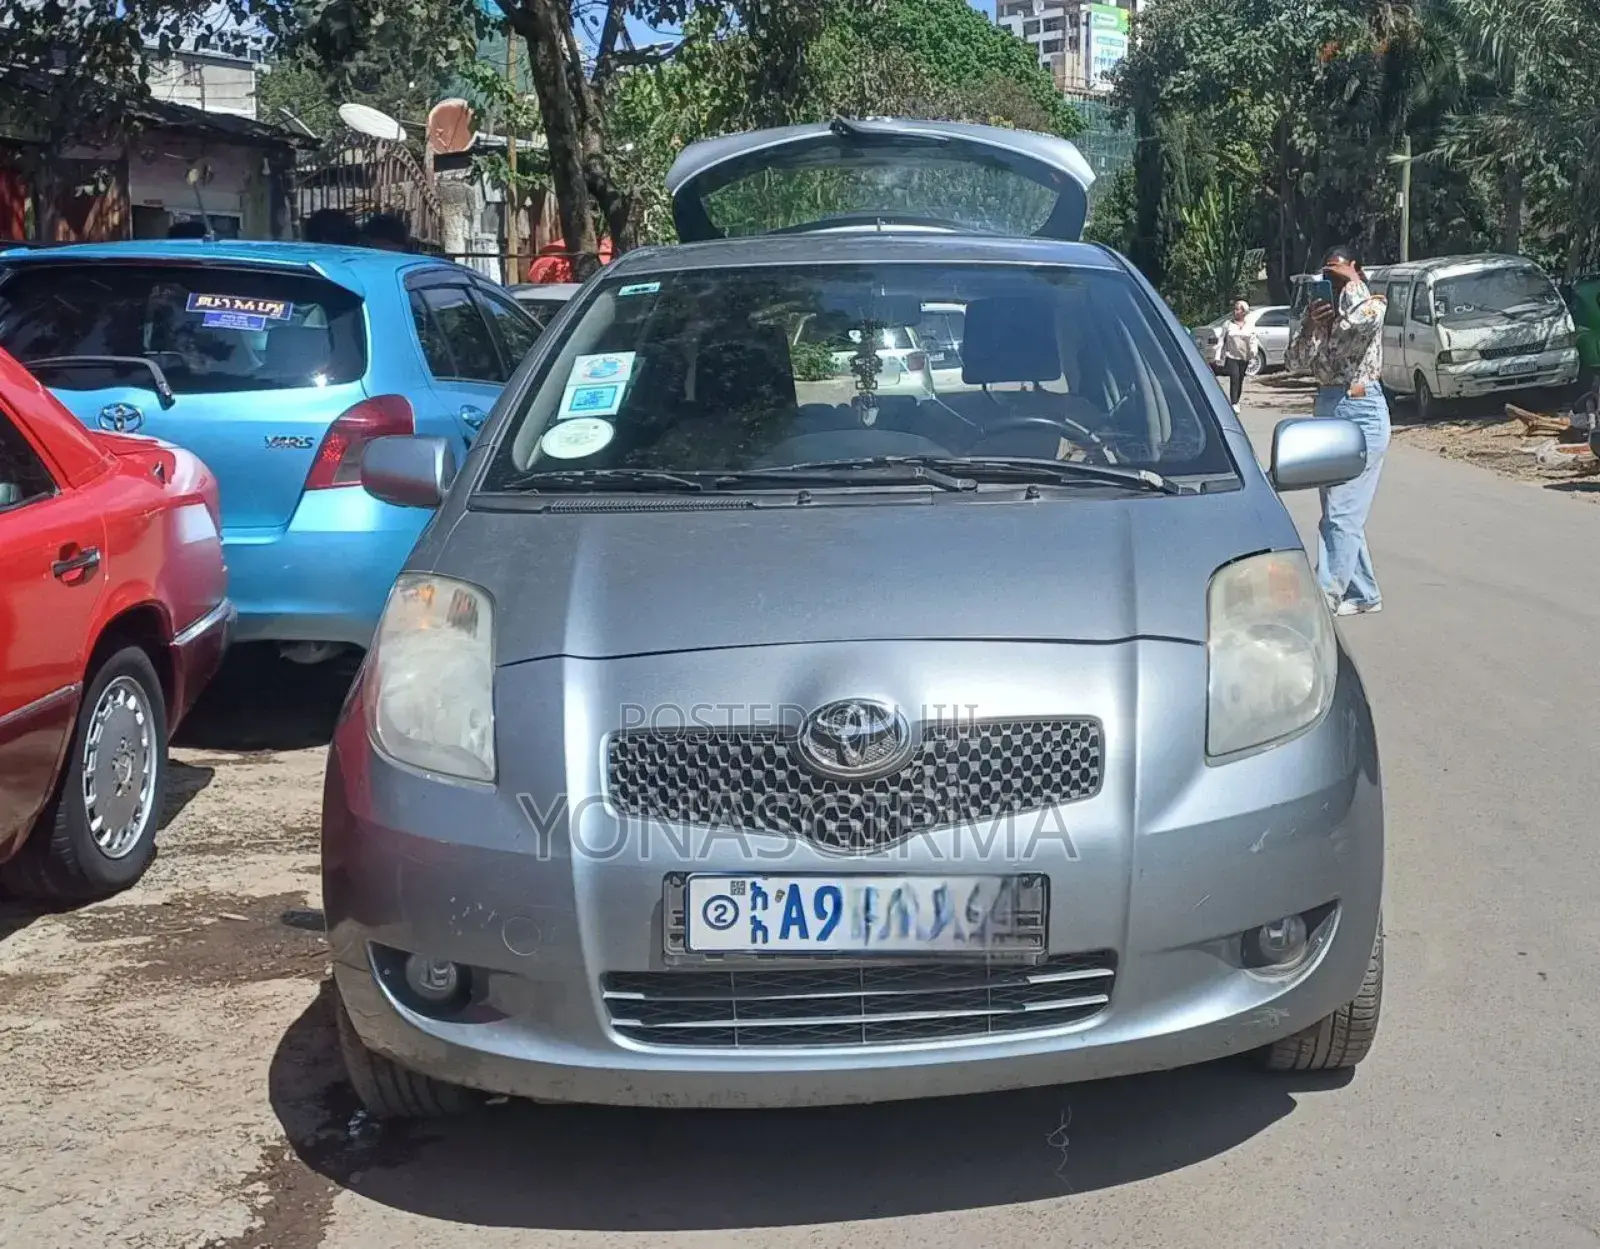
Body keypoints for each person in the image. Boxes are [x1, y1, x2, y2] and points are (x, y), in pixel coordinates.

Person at [1286, 243, 1390, 617]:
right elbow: (1294, 362)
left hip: (1362, 408)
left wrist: (1353, 283)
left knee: (1343, 512)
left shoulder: (1372, 303)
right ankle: (1363, 593)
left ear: (1356, 270)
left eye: (1337, 273)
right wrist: (1312, 323)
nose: (1332, 281)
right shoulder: (1319, 314)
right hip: (1327, 407)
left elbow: (1358, 326)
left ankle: (1325, 595)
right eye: (1326, 276)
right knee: (1338, 508)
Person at [1212, 300, 1259, 414]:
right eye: (1235, 308)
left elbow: (1253, 339)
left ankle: (1237, 401)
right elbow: (1221, 340)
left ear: (1244, 312)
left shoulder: (1249, 325)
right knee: (1235, 377)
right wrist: (1218, 355)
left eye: (1238, 309)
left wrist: (1253, 351)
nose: (1235, 311)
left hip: (1244, 356)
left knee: (1240, 379)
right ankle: (1233, 403)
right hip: (1231, 355)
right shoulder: (1228, 324)